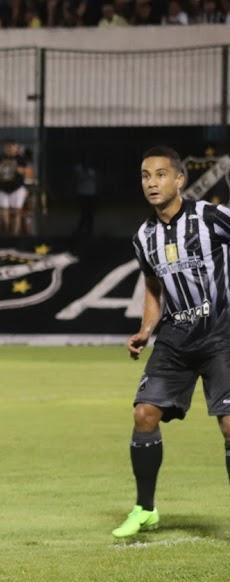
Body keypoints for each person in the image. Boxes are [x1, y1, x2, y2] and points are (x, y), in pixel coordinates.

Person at [113, 147, 230, 538]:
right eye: (146, 175)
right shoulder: (144, 237)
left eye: (161, 175)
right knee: (144, 414)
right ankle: (145, 509)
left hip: (221, 335)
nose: (152, 183)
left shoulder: (210, 217)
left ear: (180, 180)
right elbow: (152, 286)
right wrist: (146, 329)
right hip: (175, 337)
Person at [0, 140, 30, 236]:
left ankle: (14, 235)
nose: (9, 149)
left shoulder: (20, 158)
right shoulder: (0, 158)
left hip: (17, 188)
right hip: (3, 188)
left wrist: (14, 166)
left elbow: (26, 172)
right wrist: (2, 165)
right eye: (7, 147)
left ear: (16, 147)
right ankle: (6, 233)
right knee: (4, 213)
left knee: (16, 213)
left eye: (12, 146)